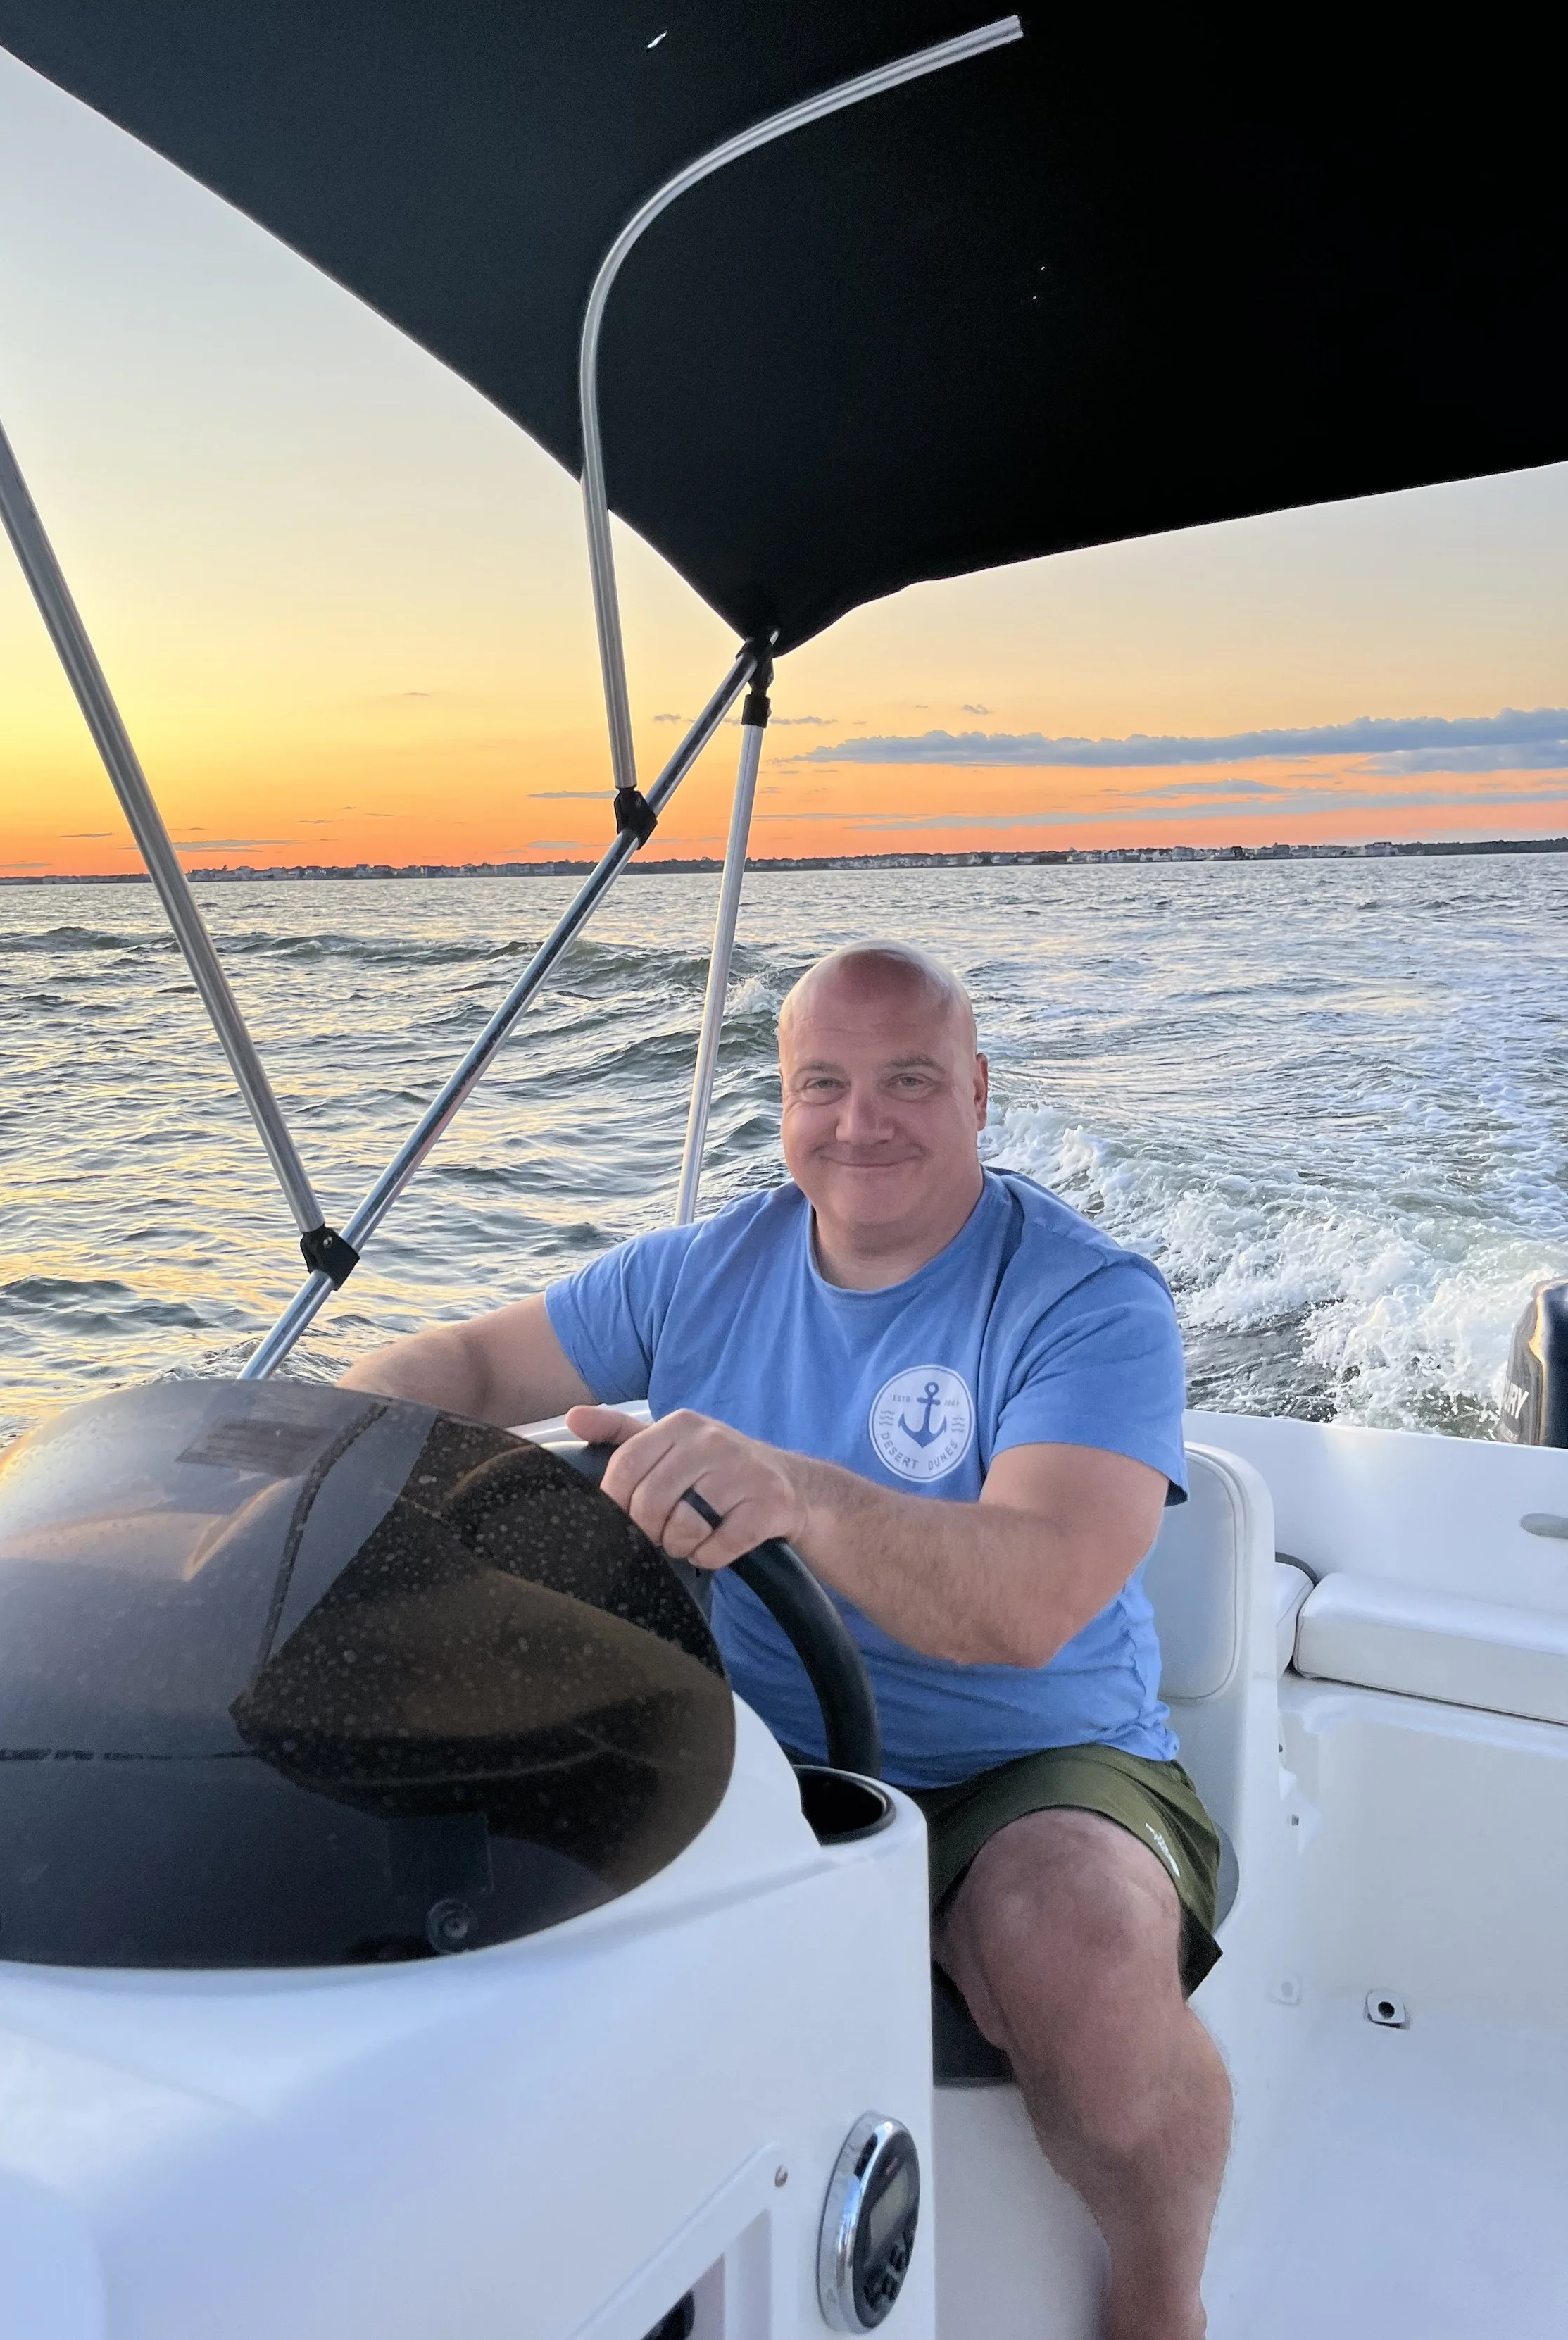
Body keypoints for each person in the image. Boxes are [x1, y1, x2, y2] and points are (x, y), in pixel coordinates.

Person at [341, 939, 1231, 2340]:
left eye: (908, 1081)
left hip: (1038, 1764)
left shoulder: (1084, 1299)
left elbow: (1035, 1598)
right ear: (783, 1099)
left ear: (978, 1092)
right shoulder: (704, 1268)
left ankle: (1158, 2296)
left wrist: (797, 1492)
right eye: (823, 1083)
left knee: (1072, 1941)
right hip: (755, 1749)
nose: (859, 1122)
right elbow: (466, 1364)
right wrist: (324, 1444)